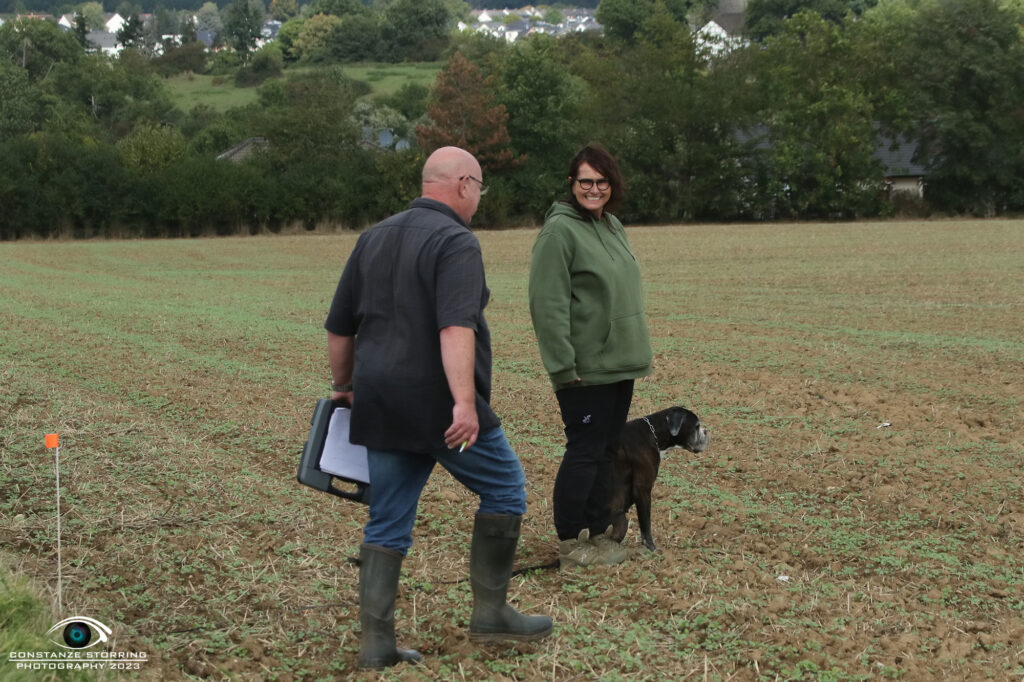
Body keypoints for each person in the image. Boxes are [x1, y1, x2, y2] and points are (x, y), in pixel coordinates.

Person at [324, 146, 553, 669]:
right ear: (465, 185)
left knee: (386, 523)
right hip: (439, 408)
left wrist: (345, 385)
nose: (479, 198)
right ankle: (491, 613)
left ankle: (377, 645)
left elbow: (340, 327)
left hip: (381, 404)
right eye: (481, 189)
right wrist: (465, 403)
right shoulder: (456, 242)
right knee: (505, 487)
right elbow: (455, 327)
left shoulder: (372, 237)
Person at [528, 143, 653, 570]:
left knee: (606, 449)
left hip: (620, 362)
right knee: (584, 450)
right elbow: (548, 304)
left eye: (601, 181)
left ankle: (599, 532)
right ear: (572, 184)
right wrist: (563, 364)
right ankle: (569, 541)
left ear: (611, 184)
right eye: (586, 181)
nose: (594, 188)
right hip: (584, 367)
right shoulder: (559, 232)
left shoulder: (613, 225)